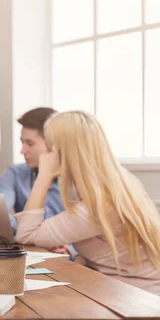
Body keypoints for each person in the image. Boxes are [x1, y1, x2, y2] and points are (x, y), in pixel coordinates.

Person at [15, 111, 160, 295]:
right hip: (134, 294)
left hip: (139, 304)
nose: (46, 157)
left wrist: (44, 176)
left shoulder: (99, 205)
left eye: (50, 149)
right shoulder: (118, 184)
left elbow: (25, 235)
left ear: (65, 153)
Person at [0, 107, 64, 233]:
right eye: (22, 143)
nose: (23, 151)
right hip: (32, 249)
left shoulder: (78, 180)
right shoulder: (14, 174)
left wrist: (68, 247)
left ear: (53, 144)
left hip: (69, 251)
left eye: (30, 144)